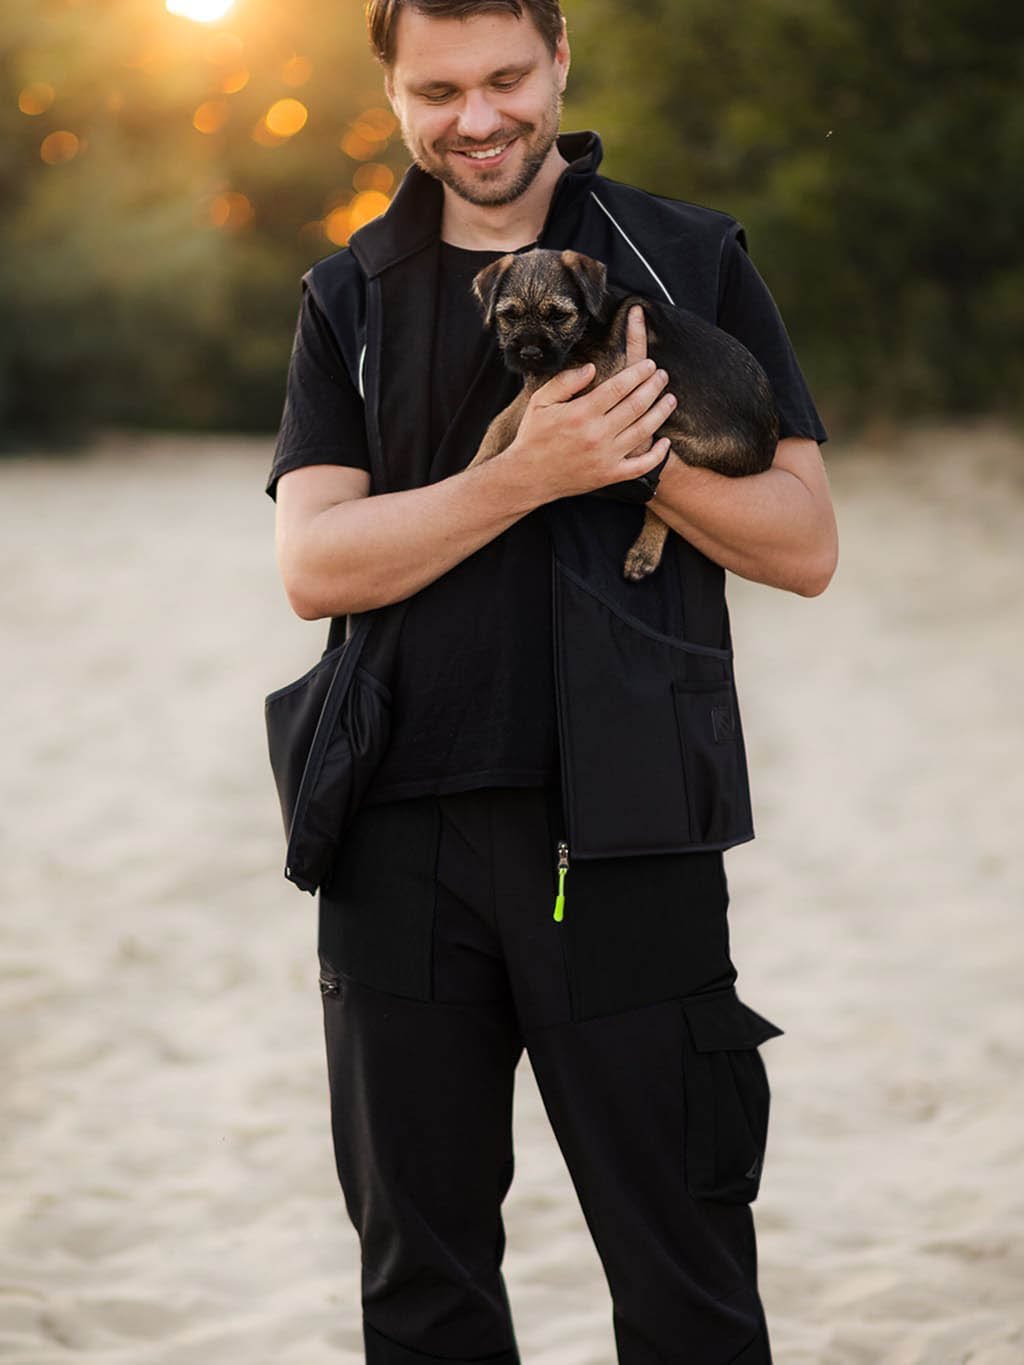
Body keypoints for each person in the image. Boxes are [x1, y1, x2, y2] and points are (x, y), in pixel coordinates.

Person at [265, 2, 837, 1360]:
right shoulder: (346, 293)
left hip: (633, 833)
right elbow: (316, 566)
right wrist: (525, 476)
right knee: (423, 1288)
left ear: (560, 63)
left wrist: (641, 462)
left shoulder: (690, 256)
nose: (478, 117)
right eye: (439, 88)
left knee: (689, 1280)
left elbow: (807, 544)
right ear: (395, 94)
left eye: (507, 77)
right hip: (393, 837)